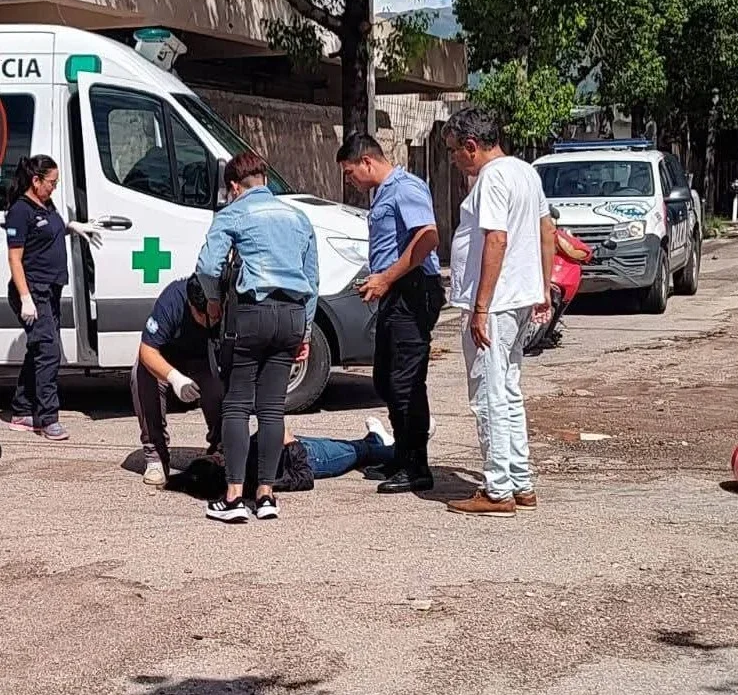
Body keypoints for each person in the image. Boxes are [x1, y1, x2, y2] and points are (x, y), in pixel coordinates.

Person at [442, 107, 555, 518]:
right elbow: (547, 229)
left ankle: (497, 488)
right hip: (521, 295)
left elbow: (496, 240)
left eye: (455, 151)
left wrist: (481, 307)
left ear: (472, 146)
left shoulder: (491, 178)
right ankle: (520, 480)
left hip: (498, 301)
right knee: (508, 389)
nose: (454, 159)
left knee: (488, 394)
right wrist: (543, 286)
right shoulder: (526, 171)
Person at [195, 151, 318, 523]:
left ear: (234, 186)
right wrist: (306, 330)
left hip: (253, 313)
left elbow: (206, 265)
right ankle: (266, 495)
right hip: (292, 316)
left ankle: (233, 497)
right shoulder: (299, 217)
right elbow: (312, 281)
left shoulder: (234, 213)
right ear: (264, 180)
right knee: (272, 408)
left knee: (236, 404)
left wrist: (214, 301)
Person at [336, 133, 444, 494]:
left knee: (405, 383)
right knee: (385, 378)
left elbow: (428, 237)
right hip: (395, 292)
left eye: (351, 172)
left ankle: (417, 466)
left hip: (413, 292)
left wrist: (387, 278)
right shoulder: (383, 193)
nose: (350, 180)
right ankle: (401, 453)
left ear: (367, 161)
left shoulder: (406, 187)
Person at [4, 155, 102, 440]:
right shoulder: (20, 211)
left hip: (50, 289)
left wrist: (73, 227)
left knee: (39, 350)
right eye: (51, 182)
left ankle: (22, 410)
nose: (54, 188)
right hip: (32, 290)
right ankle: (48, 418)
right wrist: (25, 298)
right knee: (49, 352)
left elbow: (50, 229)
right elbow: (14, 258)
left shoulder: (45, 204)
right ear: (35, 181)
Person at [168, 416, 429, 500]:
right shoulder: (256, 479)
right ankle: (408, 447)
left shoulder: (232, 462)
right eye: (216, 462)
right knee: (358, 453)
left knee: (355, 447)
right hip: (312, 458)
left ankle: (383, 442)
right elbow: (303, 479)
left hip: (293, 442)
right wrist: (291, 443)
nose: (218, 457)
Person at [131, 274, 223, 486]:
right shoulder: (173, 299)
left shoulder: (224, 300)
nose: (211, 319)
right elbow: (147, 350)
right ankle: (155, 455)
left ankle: (221, 448)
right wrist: (175, 378)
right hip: (170, 360)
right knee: (141, 374)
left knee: (224, 380)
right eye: (203, 315)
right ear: (191, 304)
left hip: (206, 360)